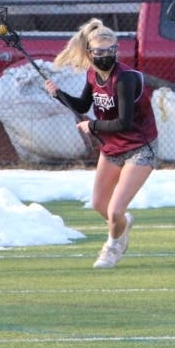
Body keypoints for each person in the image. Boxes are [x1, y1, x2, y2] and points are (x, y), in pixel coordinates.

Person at [44, 18, 158, 269]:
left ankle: (112, 247)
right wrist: (58, 94)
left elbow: (124, 122)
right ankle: (123, 225)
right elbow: (83, 105)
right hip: (112, 147)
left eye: (110, 52)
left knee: (115, 211)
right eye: (99, 52)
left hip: (140, 147)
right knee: (99, 205)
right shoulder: (92, 75)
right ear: (89, 53)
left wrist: (92, 126)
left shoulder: (125, 79)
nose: (105, 57)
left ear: (116, 51)